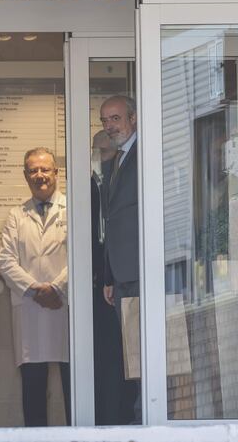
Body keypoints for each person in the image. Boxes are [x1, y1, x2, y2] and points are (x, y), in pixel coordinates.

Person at [0, 147, 70, 427]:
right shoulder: (17, 215)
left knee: (72, 382)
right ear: (25, 175)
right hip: (30, 307)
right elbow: (6, 260)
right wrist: (36, 290)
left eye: (45, 169)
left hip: (64, 305)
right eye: (33, 170)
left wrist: (57, 288)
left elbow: (82, 254)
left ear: (56, 172)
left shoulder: (72, 208)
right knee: (33, 386)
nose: (40, 175)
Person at [99, 95, 141, 424]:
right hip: (122, 274)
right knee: (131, 356)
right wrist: (109, 275)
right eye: (105, 121)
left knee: (143, 356)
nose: (110, 126)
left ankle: (144, 419)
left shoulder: (147, 154)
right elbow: (111, 221)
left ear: (133, 118)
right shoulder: (115, 160)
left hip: (143, 273)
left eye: (115, 118)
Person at [90, 129, 136, 425]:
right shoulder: (89, 187)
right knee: (105, 361)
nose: (106, 161)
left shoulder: (122, 182)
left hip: (125, 280)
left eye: (111, 155)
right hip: (97, 285)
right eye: (101, 154)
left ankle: (125, 418)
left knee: (129, 357)